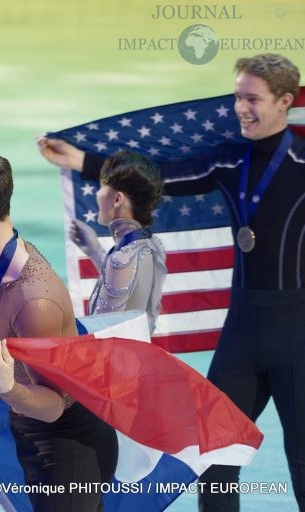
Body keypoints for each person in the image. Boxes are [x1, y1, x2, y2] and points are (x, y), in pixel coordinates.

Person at [37, 53, 305, 511]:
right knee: (212, 457)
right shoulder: (228, 160)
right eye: (238, 96)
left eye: (252, 99)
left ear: (284, 101)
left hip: (297, 331)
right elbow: (155, 180)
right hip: (243, 331)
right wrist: (83, 160)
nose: (241, 108)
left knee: (301, 460)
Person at [0, 145, 118, 511]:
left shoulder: (34, 300)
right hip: (36, 435)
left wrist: (7, 387)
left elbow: (54, 405)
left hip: (68, 449)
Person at [66, 150, 166, 333]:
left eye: (101, 187)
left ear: (117, 199)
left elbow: (99, 333)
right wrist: (95, 251)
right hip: (137, 357)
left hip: (117, 360)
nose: (97, 195)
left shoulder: (123, 258)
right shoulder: (152, 245)